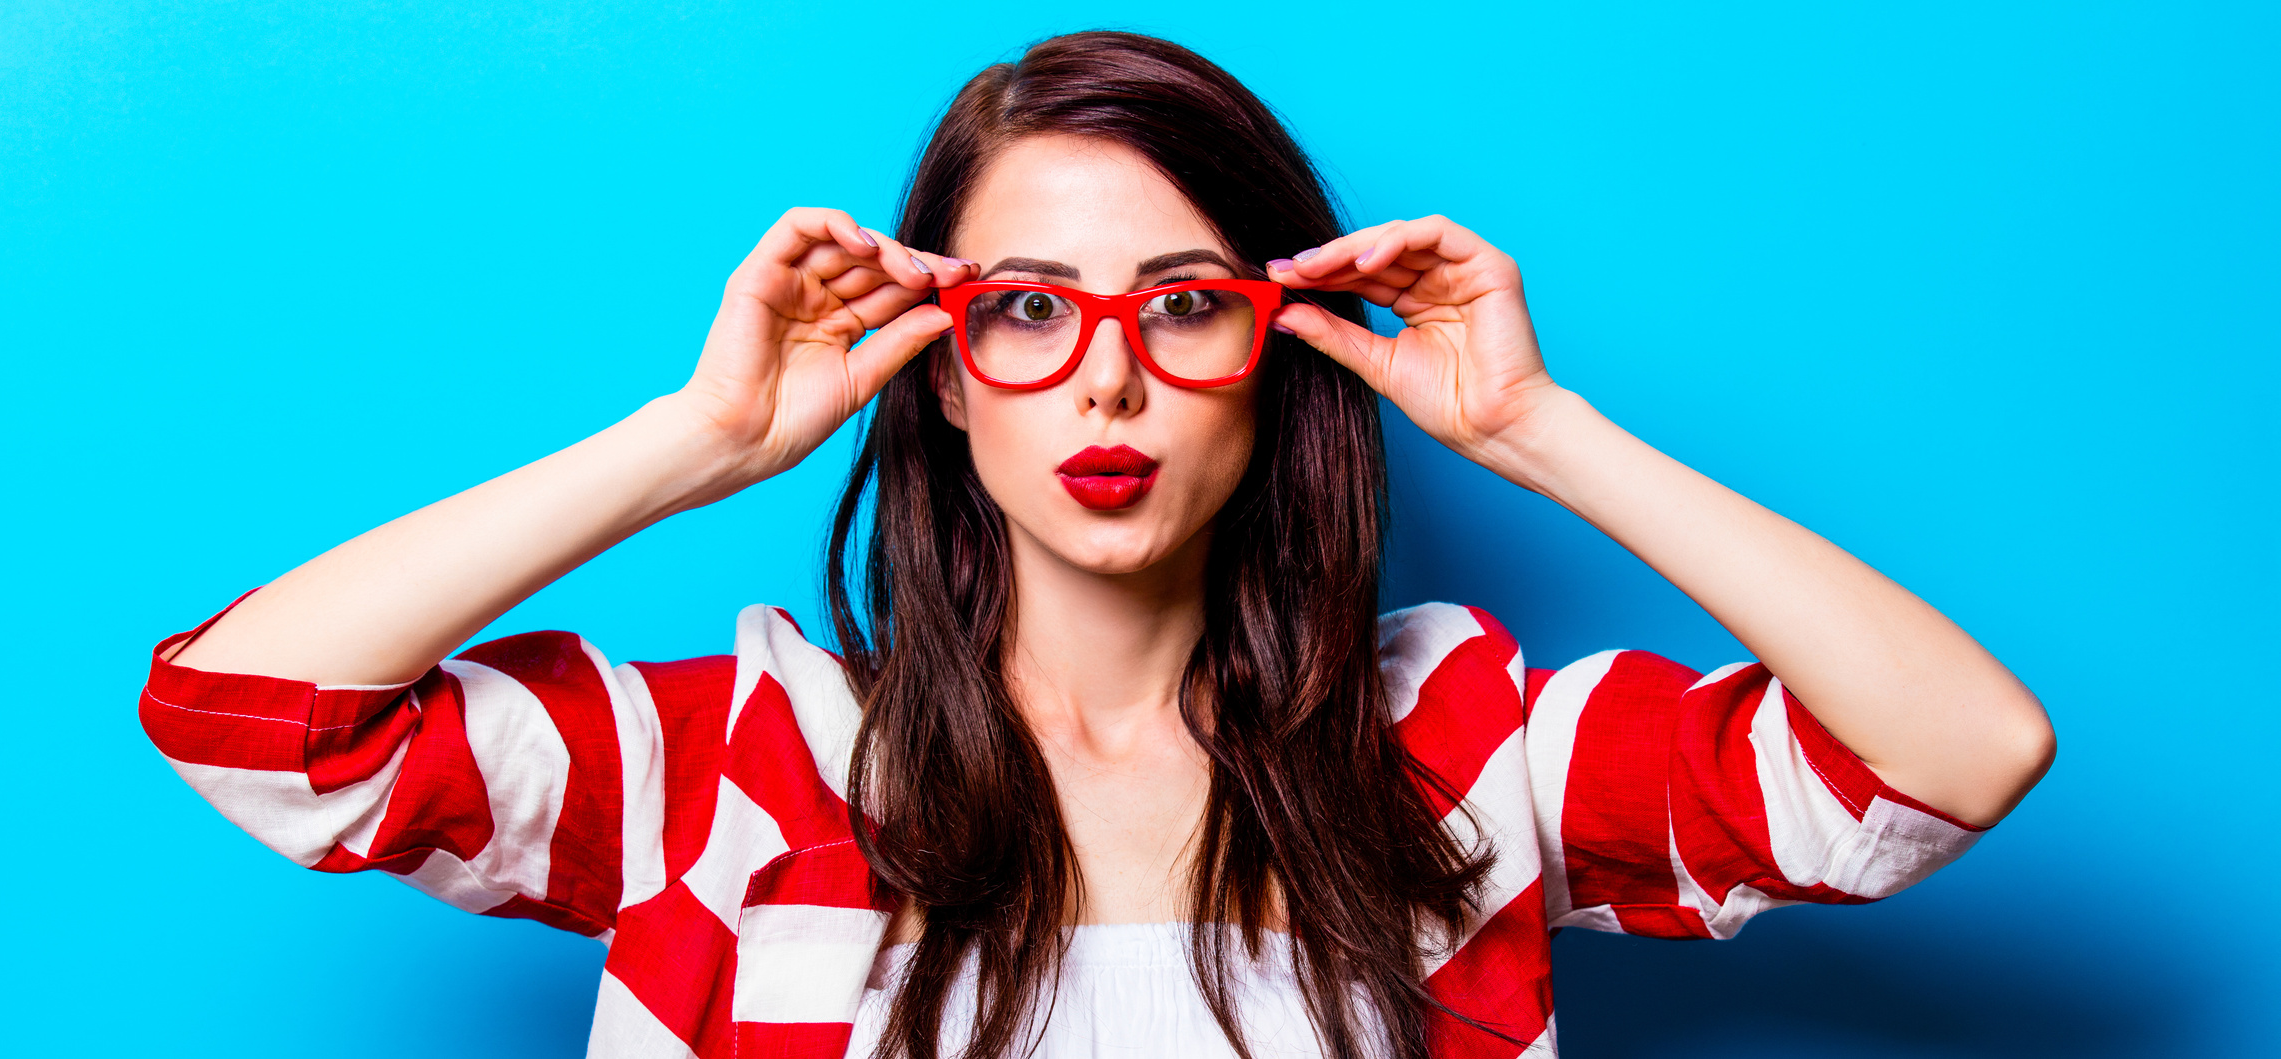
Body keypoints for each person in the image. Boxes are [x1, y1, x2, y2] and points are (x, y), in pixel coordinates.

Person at [138, 30, 2055, 1059]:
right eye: (1028, 310)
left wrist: (1536, 434)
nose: (1110, 381)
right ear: (940, 373)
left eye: (1187, 303)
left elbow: (1954, 757)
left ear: (1277, 354)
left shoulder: (1463, 752)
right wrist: (690, 445)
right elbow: (247, 716)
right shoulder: (730, 769)